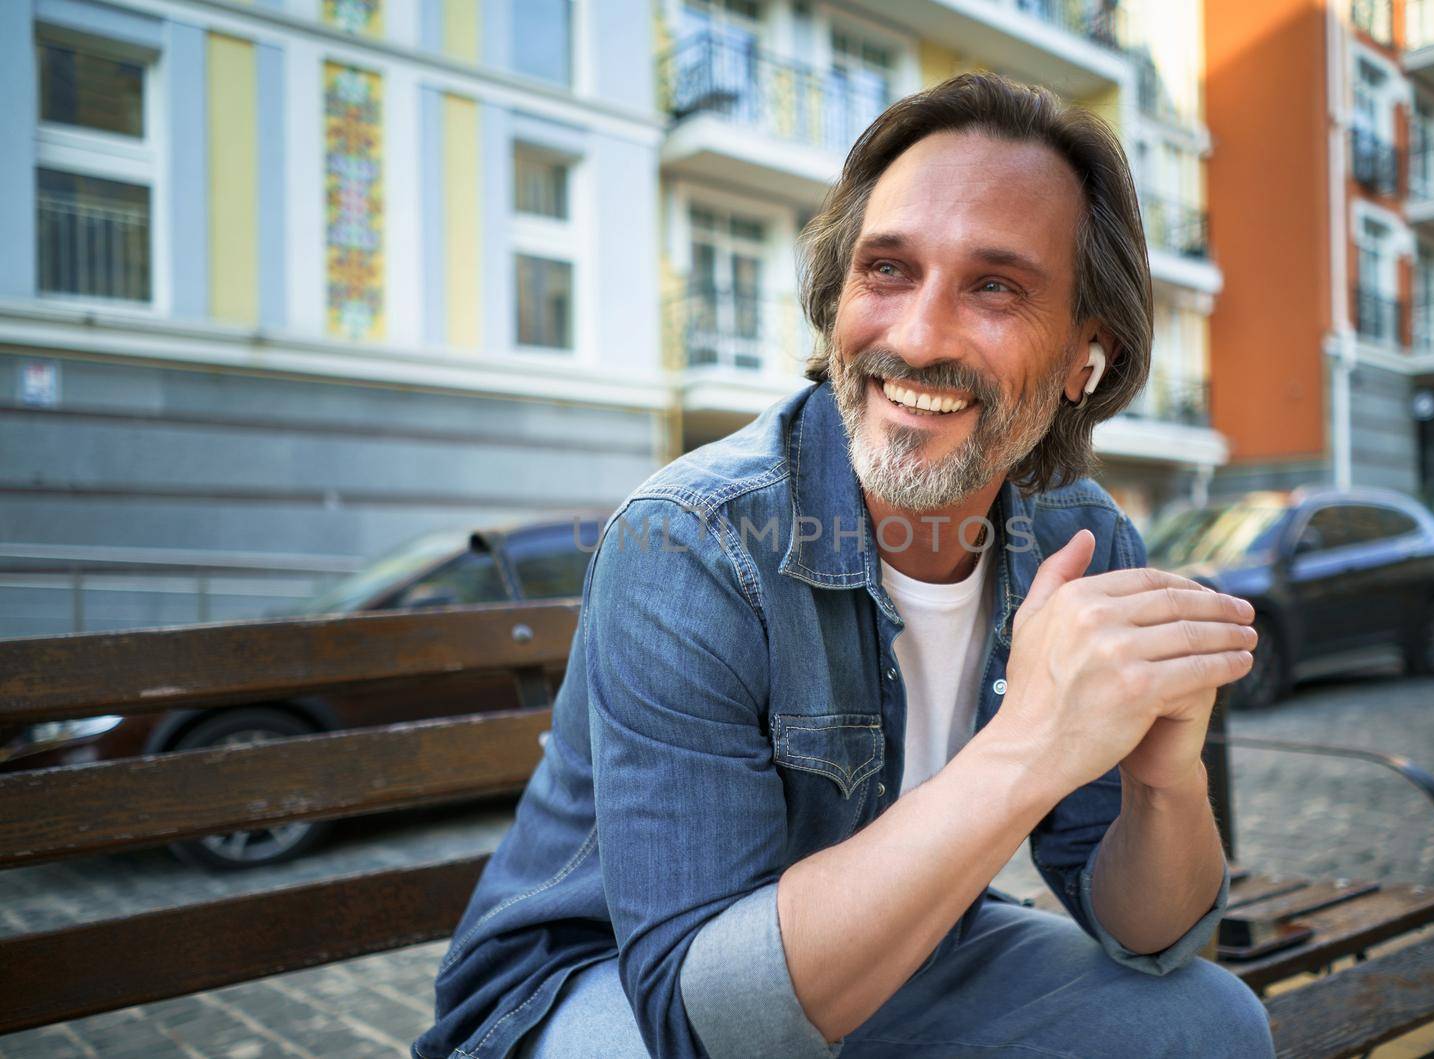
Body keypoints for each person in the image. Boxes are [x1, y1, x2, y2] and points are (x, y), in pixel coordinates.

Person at [414, 72, 1273, 1059]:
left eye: (994, 285)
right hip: (597, 983)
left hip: (898, 951)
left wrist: (1162, 784)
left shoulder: (1078, 540)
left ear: (1088, 351)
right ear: (834, 299)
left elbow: (1155, 937)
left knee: (1208, 1021)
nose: (914, 337)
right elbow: (706, 1021)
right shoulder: (691, 541)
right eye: (887, 270)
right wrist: (1032, 741)